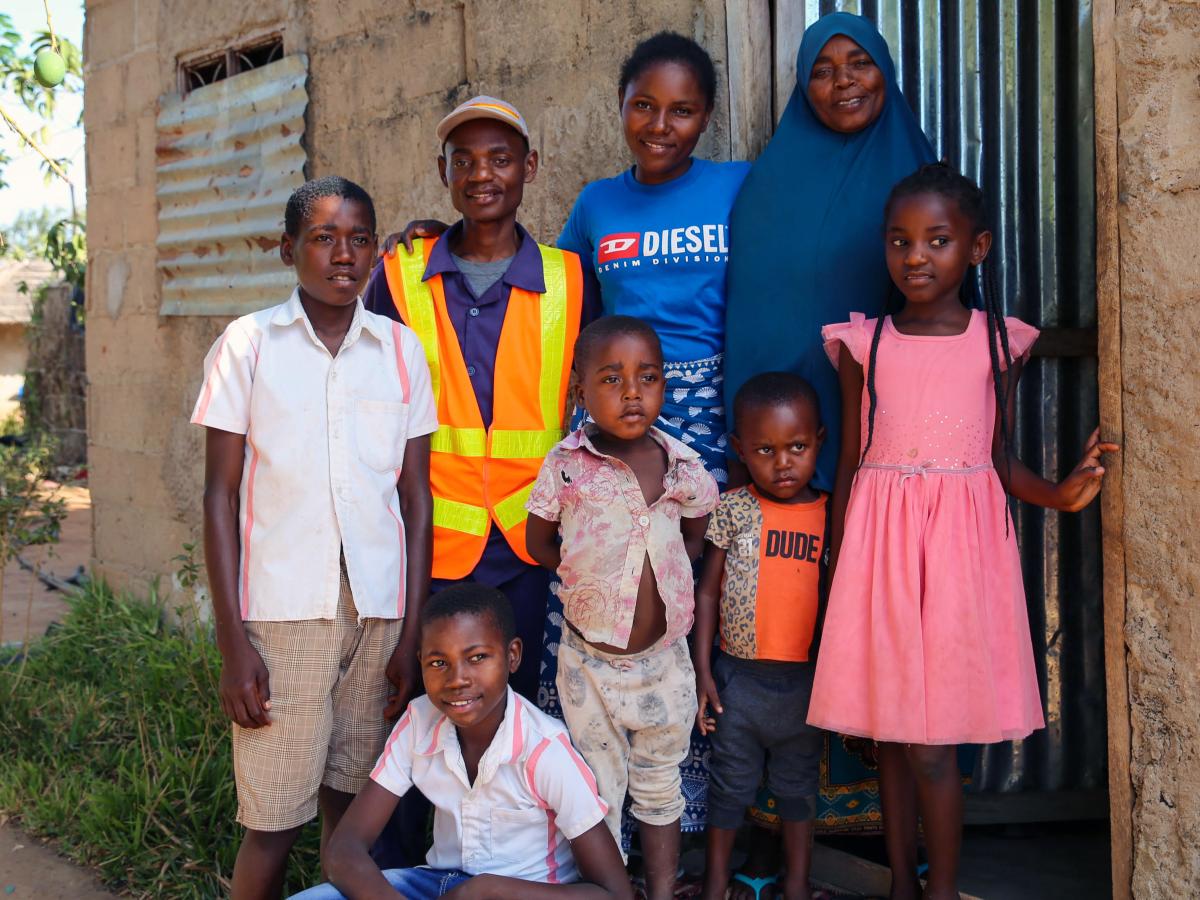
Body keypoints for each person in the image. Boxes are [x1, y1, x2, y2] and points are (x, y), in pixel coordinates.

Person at [807, 164, 1118, 900]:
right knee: (888, 735)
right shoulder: (865, 344)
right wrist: (836, 569)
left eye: (937, 240)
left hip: (958, 560)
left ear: (975, 248)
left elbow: (997, 455)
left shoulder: (997, 344)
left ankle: (940, 890)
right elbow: (850, 461)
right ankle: (902, 887)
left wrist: (1059, 494)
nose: (916, 256)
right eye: (901, 241)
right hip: (878, 556)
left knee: (933, 746)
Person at [192, 176, 437, 900]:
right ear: (288, 249)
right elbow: (219, 495)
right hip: (282, 615)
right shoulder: (248, 345)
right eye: (324, 238)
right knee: (271, 824)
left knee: (352, 818)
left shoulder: (398, 351)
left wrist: (409, 631)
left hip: (378, 614)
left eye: (360, 239)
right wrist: (234, 644)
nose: (344, 255)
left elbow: (415, 496)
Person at [361, 95, 598, 704]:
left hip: (534, 543)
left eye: (500, 159)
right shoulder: (399, 274)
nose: (481, 174)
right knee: (426, 711)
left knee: (519, 714)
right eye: (462, 161)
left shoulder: (571, 280)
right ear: (444, 173)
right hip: (430, 543)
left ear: (531, 167)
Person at [525, 316, 720, 900]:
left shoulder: (683, 466)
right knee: (598, 788)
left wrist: (666, 578)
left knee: (660, 786)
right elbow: (540, 542)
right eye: (612, 379)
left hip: (665, 664)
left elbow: (694, 536)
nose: (632, 393)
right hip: (590, 667)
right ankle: (608, 892)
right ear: (580, 392)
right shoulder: (566, 465)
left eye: (648, 377)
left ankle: (660, 890)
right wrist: (587, 574)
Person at [291, 584, 633, 900]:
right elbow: (344, 849)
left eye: (478, 658)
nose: (457, 680)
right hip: (433, 886)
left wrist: (489, 889)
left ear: (512, 656)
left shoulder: (545, 749)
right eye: (439, 663)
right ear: (421, 663)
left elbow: (613, 893)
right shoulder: (419, 721)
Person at [724, 11, 936, 493]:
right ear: (803, 85)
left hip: (888, 415)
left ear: (885, 69)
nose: (844, 81)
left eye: (860, 63)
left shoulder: (922, 177)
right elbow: (751, 311)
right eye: (822, 71)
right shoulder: (768, 182)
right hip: (780, 430)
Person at [691, 372, 828, 900]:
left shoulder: (830, 515)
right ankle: (715, 882)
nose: (784, 462)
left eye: (797, 446)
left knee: (797, 789)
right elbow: (707, 593)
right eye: (766, 450)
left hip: (804, 685)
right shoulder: (733, 508)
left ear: (819, 441)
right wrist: (705, 672)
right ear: (740, 450)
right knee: (730, 787)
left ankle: (796, 884)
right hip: (738, 682)